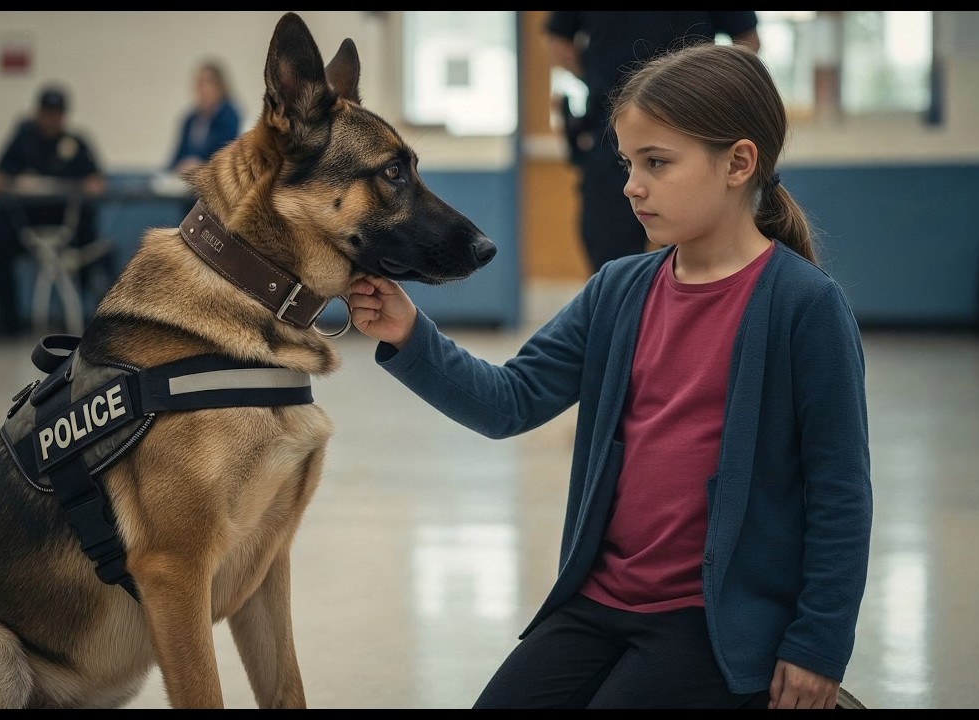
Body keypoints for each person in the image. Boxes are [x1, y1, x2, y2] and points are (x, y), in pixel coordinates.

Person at [348, 42, 872, 709]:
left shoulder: (805, 305)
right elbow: (509, 401)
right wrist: (410, 333)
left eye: (656, 163)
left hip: (708, 624)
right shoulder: (619, 288)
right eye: (628, 162)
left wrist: (817, 646)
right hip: (597, 604)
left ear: (739, 162)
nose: (631, 185)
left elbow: (840, 496)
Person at [544, 11, 761, 274]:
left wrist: (709, 90)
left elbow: (747, 40)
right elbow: (558, 39)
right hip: (610, 133)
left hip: (692, 127)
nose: (634, 189)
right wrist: (602, 81)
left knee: (697, 266)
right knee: (613, 271)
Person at [0, 84, 108, 338]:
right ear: (37, 112)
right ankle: (9, 322)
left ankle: (94, 323)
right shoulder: (22, 139)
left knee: (98, 249)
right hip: (25, 227)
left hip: (65, 228)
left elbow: (97, 182)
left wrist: (80, 186)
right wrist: (12, 181)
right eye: (47, 112)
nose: (52, 119)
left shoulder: (75, 143)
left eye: (57, 113)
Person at [163, 58, 242, 219]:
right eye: (198, 84)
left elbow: (226, 155)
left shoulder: (229, 116)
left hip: (219, 197)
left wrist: (199, 166)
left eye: (206, 83)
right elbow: (176, 157)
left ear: (219, 86)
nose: (201, 90)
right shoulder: (190, 119)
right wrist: (178, 167)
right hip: (189, 195)